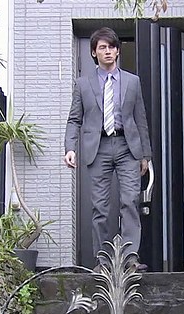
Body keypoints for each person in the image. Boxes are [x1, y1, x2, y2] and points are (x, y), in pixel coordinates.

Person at [64, 27, 151, 272]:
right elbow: (74, 119)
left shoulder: (132, 82)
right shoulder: (83, 84)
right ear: (94, 52)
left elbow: (140, 118)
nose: (108, 51)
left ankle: (130, 258)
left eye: (112, 47)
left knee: (130, 201)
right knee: (100, 207)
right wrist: (70, 147)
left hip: (127, 147)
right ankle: (102, 261)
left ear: (118, 51)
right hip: (98, 147)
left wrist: (145, 155)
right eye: (102, 47)